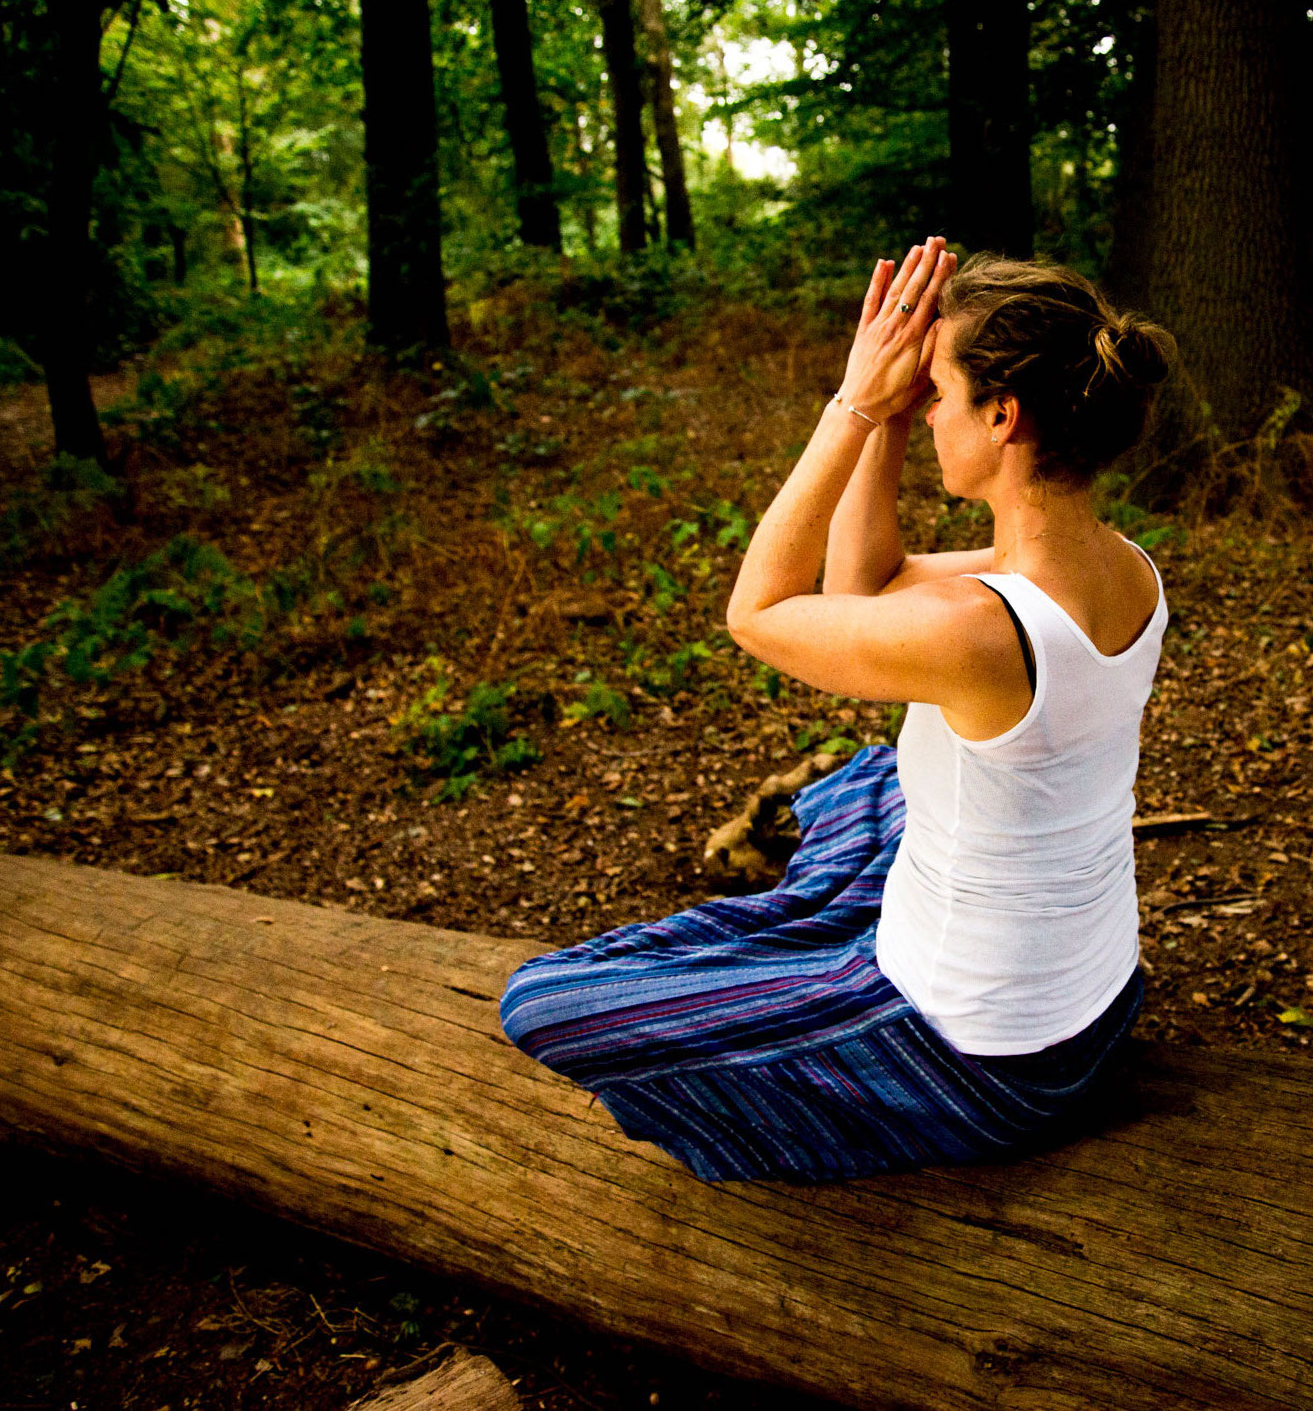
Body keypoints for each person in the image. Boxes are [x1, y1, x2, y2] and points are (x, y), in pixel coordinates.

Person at [499, 237, 1177, 1184]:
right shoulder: (1122, 567)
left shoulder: (974, 630)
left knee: (544, 1002)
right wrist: (892, 426)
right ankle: (817, 928)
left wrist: (853, 406)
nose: (921, 404)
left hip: (983, 1060)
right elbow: (867, 583)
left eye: (933, 392)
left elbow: (757, 613)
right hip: (1094, 1012)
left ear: (1002, 415)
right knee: (873, 778)